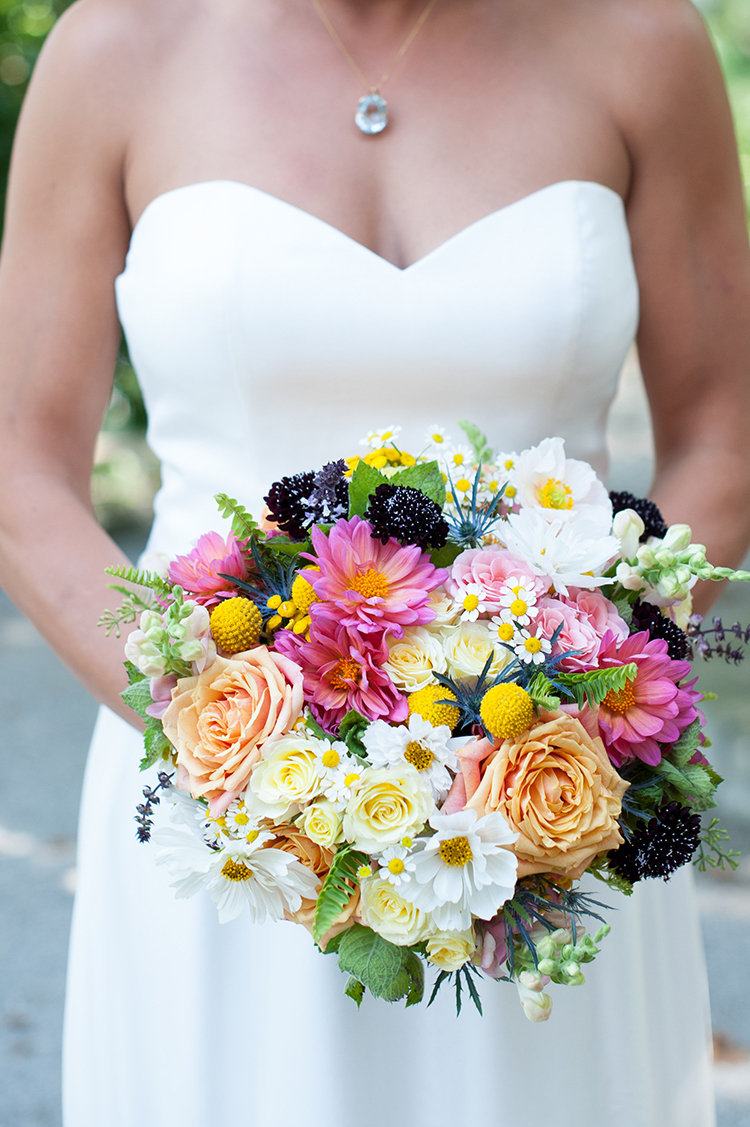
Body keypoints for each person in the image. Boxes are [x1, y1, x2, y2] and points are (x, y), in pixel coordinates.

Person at [0, 0, 749, 1123]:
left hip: (547, 807)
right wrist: (219, 731)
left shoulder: (642, 40)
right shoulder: (117, 47)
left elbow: (723, 437)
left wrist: (578, 698)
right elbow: (19, 464)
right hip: (222, 811)